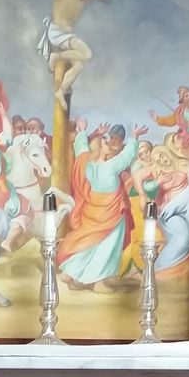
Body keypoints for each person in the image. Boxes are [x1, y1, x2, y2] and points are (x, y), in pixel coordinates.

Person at [17, 0, 109, 107]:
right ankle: (57, 57)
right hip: (57, 32)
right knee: (87, 54)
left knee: (78, 66)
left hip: (65, 36)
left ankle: (61, 91)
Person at [57, 123, 142, 290]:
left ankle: (72, 272)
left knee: (90, 243)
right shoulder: (110, 167)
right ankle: (99, 280)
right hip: (111, 214)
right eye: (106, 142)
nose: (110, 144)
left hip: (93, 211)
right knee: (107, 246)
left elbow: (81, 149)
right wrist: (135, 137)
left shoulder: (86, 165)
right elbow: (126, 157)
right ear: (100, 148)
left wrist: (82, 132)